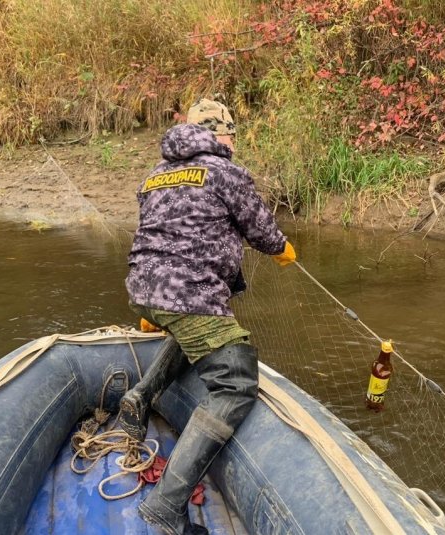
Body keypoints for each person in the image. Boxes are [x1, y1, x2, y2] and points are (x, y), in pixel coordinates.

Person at [119, 98, 296, 534]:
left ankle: (140, 398)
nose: (235, 141)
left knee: (198, 331)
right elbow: (259, 228)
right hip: (190, 295)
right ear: (219, 135)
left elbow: (156, 234)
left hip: (143, 290)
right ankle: (165, 507)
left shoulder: (156, 175)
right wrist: (281, 250)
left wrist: (157, 304)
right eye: (232, 133)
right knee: (235, 382)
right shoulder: (225, 172)